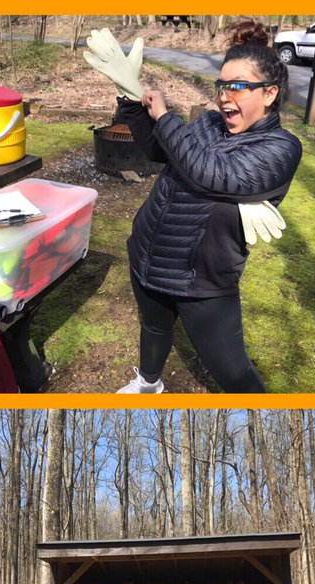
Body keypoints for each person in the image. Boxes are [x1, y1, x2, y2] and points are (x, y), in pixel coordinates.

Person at [99, 21, 302, 393]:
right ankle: (148, 383)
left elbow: (209, 173)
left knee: (234, 372)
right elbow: (161, 150)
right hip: (148, 256)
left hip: (201, 282)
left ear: (270, 93)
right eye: (222, 85)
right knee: (154, 327)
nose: (225, 96)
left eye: (238, 86)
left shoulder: (280, 148)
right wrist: (131, 101)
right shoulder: (209, 123)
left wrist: (164, 116)